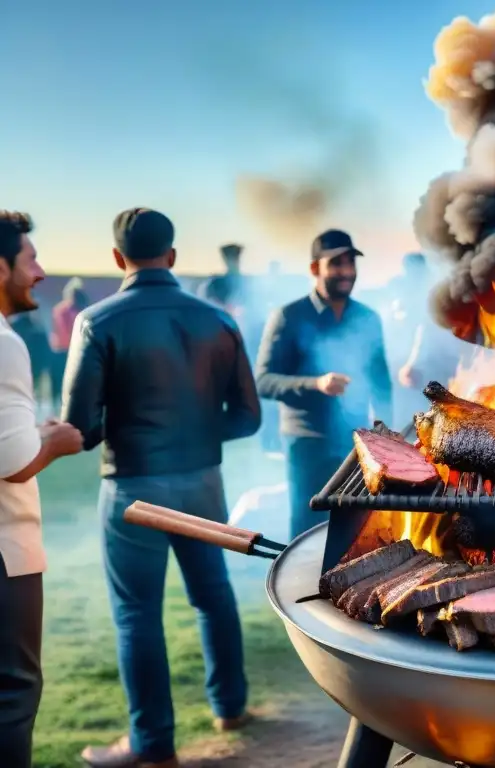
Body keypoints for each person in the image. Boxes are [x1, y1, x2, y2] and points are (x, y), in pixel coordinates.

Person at [63, 209, 261, 768]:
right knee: (213, 595)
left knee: (137, 616)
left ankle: (152, 746)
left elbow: (80, 429)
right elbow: (247, 418)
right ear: (172, 256)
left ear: (117, 259)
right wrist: (194, 432)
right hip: (202, 481)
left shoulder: (97, 321)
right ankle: (230, 707)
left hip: (132, 490)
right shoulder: (218, 319)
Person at [0, 210, 83, 768]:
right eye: (30, 260)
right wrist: (59, 440)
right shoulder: (5, 343)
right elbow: (13, 460)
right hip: (4, 555)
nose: (41, 271)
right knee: (11, 693)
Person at [255, 229, 392, 539]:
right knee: (306, 532)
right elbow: (263, 381)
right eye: (337, 264)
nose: (346, 272)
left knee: (358, 531)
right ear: (315, 269)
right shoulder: (288, 317)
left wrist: (388, 435)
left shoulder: (367, 317)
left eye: (350, 263)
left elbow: (381, 383)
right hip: (308, 443)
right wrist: (315, 383)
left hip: (356, 443)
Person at [49, 277, 90, 411]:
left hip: (72, 350)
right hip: (63, 350)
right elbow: (62, 331)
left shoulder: (81, 310)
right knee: (60, 381)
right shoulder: (62, 310)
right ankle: (58, 407)